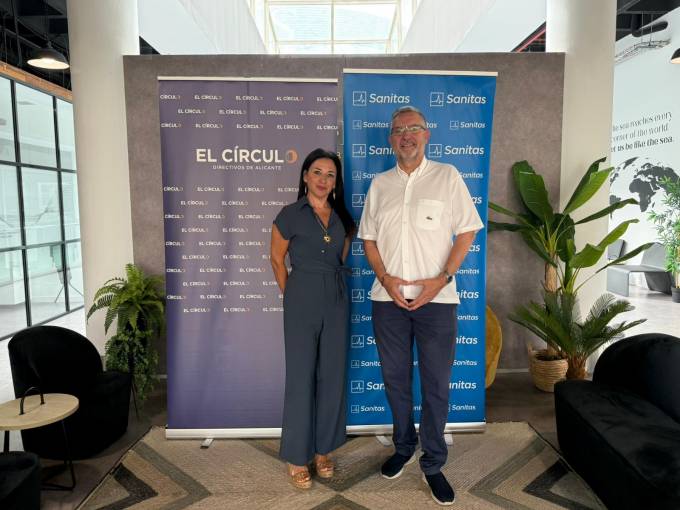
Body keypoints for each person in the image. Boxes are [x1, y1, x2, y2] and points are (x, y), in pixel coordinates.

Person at [358, 106, 483, 506]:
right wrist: (385, 278)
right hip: (388, 301)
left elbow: (467, 231)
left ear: (427, 135)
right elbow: (369, 239)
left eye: (414, 128)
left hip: (437, 301)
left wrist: (442, 278)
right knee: (395, 380)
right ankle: (403, 446)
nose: (406, 135)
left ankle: (433, 463)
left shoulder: (448, 176)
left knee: (436, 385)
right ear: (390, 140)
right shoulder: (380, 185)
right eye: (399, 130)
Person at [270, 148, 356, 489]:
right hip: (301, 297)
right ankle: (296, 455)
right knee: (301, 377)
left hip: (336, 298)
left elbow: (341, 257)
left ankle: (323, 451)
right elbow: (277, 259)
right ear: (305, 176)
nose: (323, 179)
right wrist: (293, 295)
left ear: (336, 183)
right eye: (317, 172)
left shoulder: (343, 218)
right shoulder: (289, 214)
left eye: (330, 175)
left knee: (332, 376)